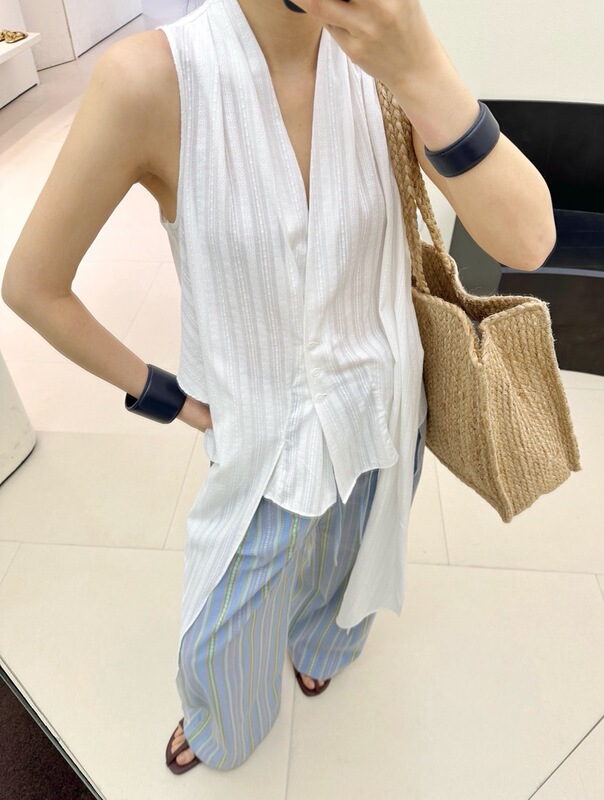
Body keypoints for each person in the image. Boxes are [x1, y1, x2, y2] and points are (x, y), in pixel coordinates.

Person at [1, 0, 556, 777]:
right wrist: (168, 397)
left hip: (384, 411)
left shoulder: (383, 54)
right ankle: (224, 717)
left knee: (350, 574)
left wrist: (420, 63)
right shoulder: (153, 78)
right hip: (259, 445)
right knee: (222, 631)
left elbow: (528, 241)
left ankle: (324, 644)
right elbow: (32, 284)